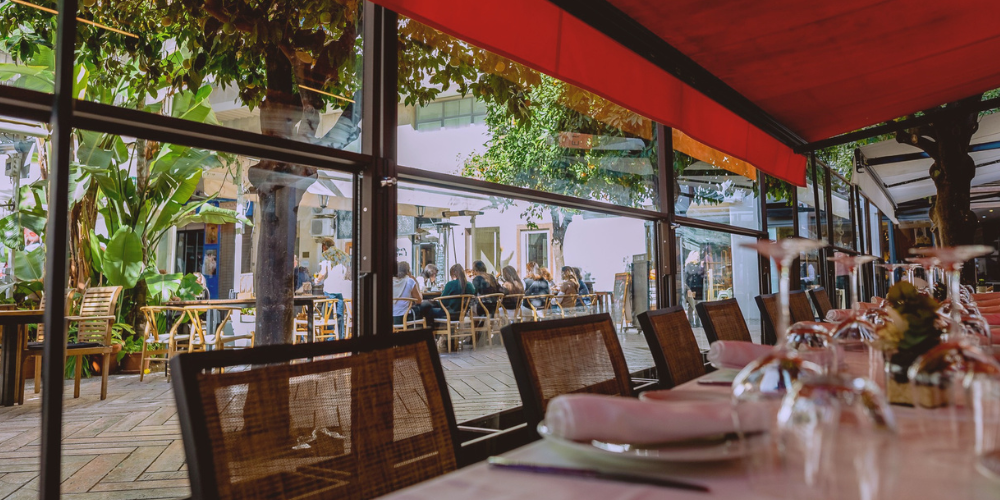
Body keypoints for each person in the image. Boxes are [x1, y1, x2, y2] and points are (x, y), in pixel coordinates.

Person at [314, 237, 351, 339]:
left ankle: (330, 339)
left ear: (324, 246)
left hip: (329, 289)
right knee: (339, 316)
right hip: (340, 289)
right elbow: (348, 271)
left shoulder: (325, 255)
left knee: (328, 316)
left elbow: (323, 272)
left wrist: (317, 280)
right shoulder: (342, 255)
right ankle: (340, 338)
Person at [392, 261, 422, 326]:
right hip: (404, 317)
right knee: (426, 307)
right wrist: (416, 282)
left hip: (390, 318)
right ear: (408, 271)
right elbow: (419, 301)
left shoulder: (390, 281)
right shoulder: (409, 281)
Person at [683, 250, 705, 326]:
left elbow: (701, 276)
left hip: (698, 287)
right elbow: (689, 275)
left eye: (698, 256)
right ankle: (691, 321)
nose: (697, 257)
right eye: (696, 256)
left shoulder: (700, 265)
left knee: (697, 304)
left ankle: (697, 321)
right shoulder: (688, 266)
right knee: (691, 306)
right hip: (691, 287)